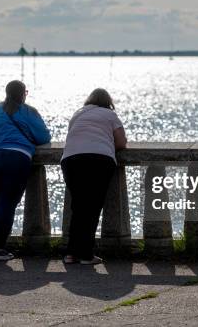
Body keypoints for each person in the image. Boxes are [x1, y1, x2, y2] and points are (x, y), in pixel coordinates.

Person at [0, 80, 51, 261]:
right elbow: (43, 137)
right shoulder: (29, 111)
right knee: (7, 204)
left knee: (0, 205)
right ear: (24, 94)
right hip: (16, 158)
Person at [61, 88, 127, 265]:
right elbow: (121, 142)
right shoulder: (109, 115)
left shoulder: (78, 114)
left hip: (71, 160)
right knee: (92, 208)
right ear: (108, 102)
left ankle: (71, 254)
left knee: (78, 207)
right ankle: (86, 255)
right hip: (98, 160)